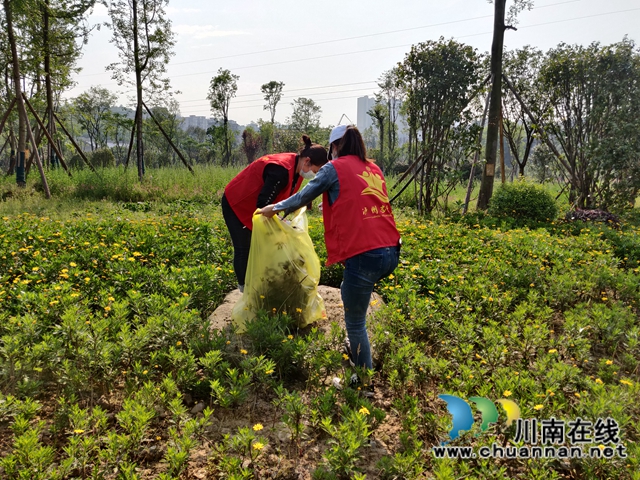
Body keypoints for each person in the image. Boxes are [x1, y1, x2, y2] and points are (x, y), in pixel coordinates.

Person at [259, 125, 401, 387]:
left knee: (355, 322)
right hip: (391, 251)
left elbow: (304, 195)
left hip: (365, 254)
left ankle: (363, 384)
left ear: (335, 147)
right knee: (351, 290)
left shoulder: (333, 168)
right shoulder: (373, 168)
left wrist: (274, 208)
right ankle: (358, 348)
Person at [222, 135, 328, 292]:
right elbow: (263, 204)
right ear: (307, 161)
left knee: (265, 246)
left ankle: (260, 283)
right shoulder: (280, 170)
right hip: (237, 204)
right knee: (244, 247)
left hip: (257, 207)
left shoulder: (297, 167)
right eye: (315, 170)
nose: (314, 174)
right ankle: (244, 291)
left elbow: (291, 195)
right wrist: (281, 221)